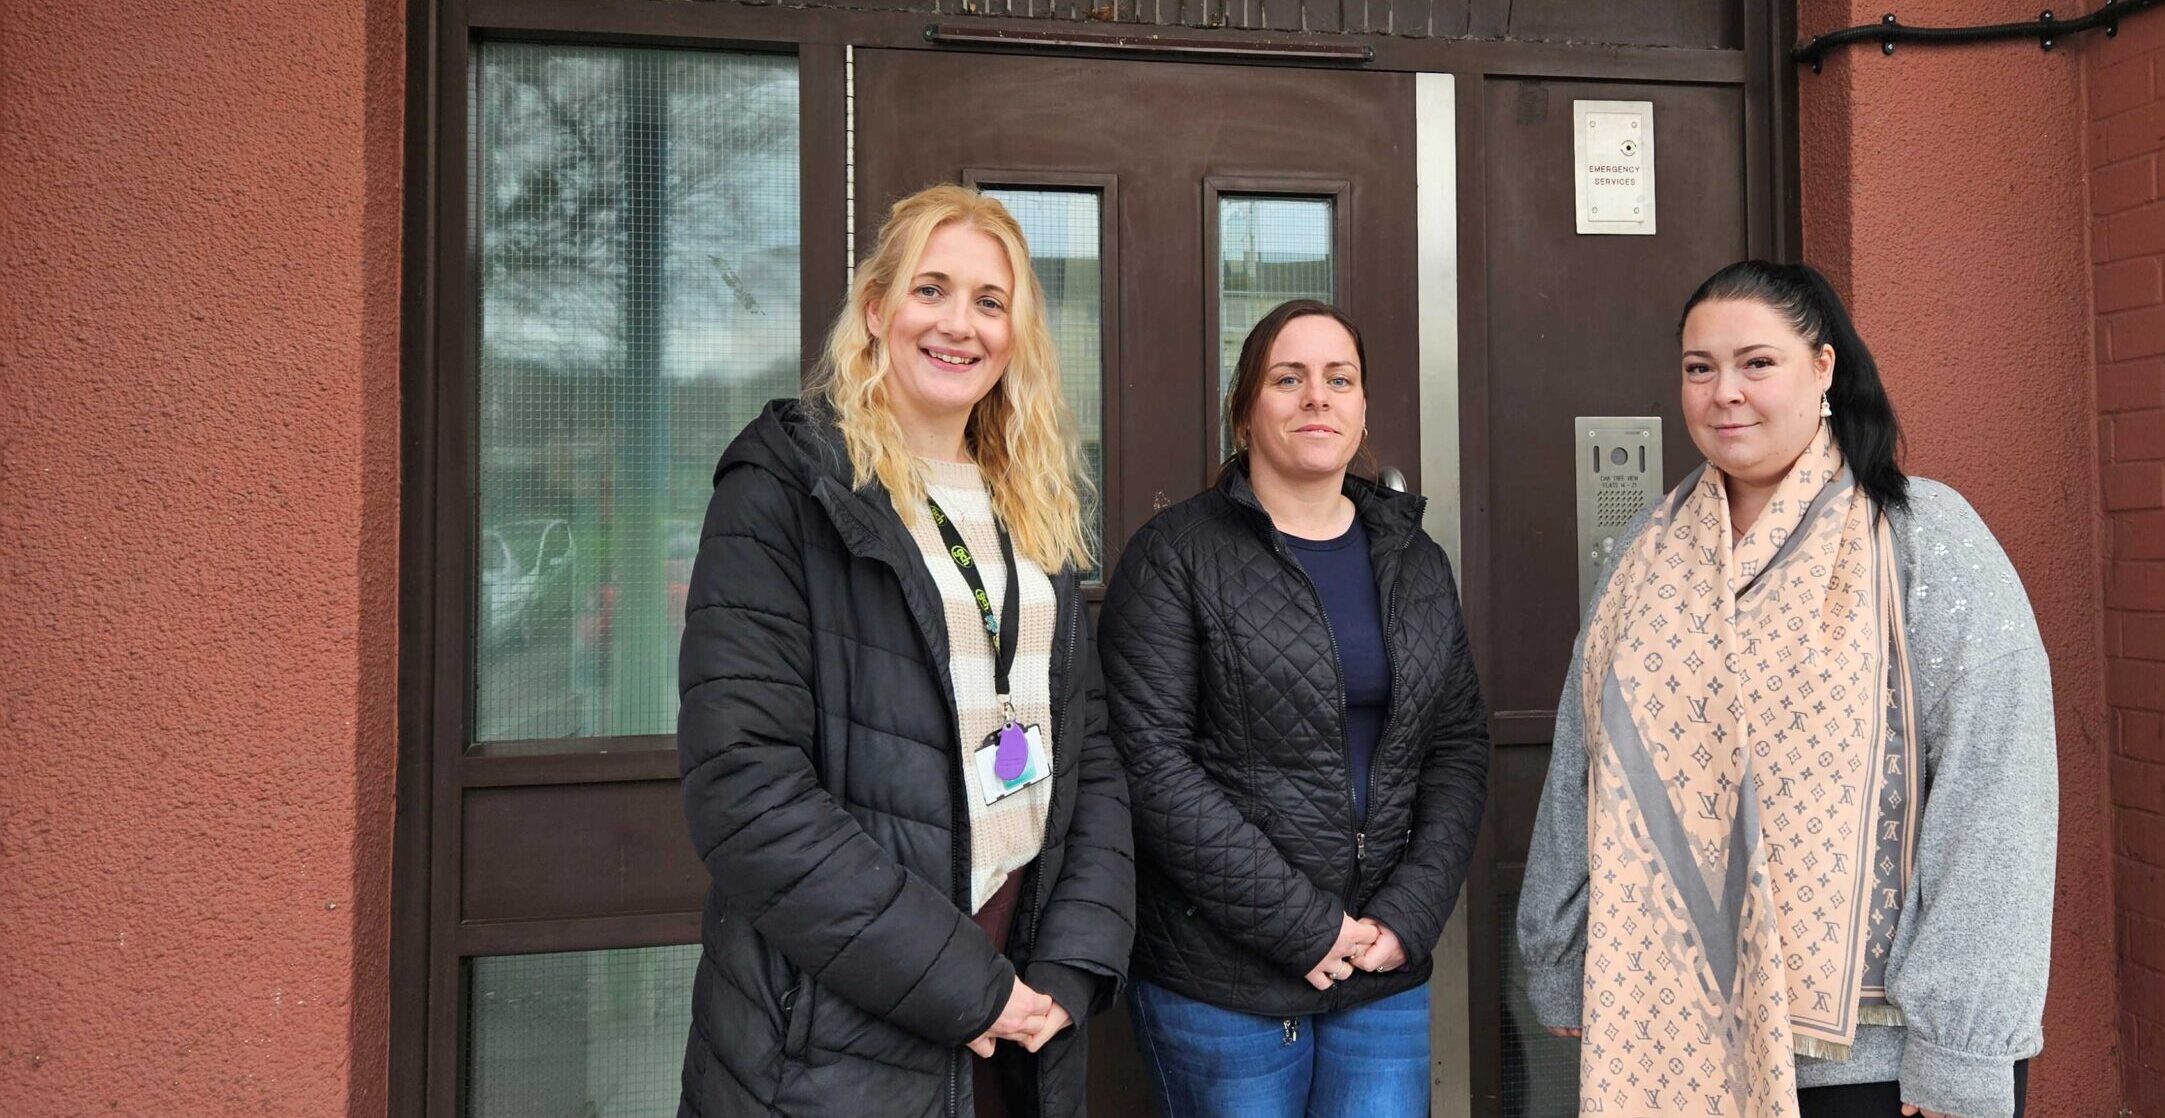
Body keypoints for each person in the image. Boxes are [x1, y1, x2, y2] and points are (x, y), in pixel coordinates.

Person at [1517, 260, 2056, 1118]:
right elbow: (1582, 764)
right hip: (1664, 1033)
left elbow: (1997, 794)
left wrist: (1961, 1042)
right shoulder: (1645, 556)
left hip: (1874, 1062)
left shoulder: (1921, 539)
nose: (1724, 392)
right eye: (1700, 368)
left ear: (1823, 367)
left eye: (1757, 363)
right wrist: (1561, 952)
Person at [676, 184, 1133, 1118]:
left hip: (1022, 1012)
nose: (959, 324)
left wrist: (1072, 966)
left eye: (990, 301)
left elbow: (1089, 757)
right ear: (877, 309)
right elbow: (745, 788)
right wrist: (965, 985)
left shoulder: (1030, 510)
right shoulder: (785, 490)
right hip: (838, 1034)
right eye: (932, 290)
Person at [1101, 299, 1491, 1118]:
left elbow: (1457, 747)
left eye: (1339, 379)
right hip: (1225, 977)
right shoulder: (1174, 556)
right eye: (1288, 379)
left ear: (1362, 409)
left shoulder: (1416, 561)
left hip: (1380, 969)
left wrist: (1409, 915)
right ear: (1244, 412)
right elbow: (1151, 765)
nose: (1317, 397)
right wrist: (1304, 925)